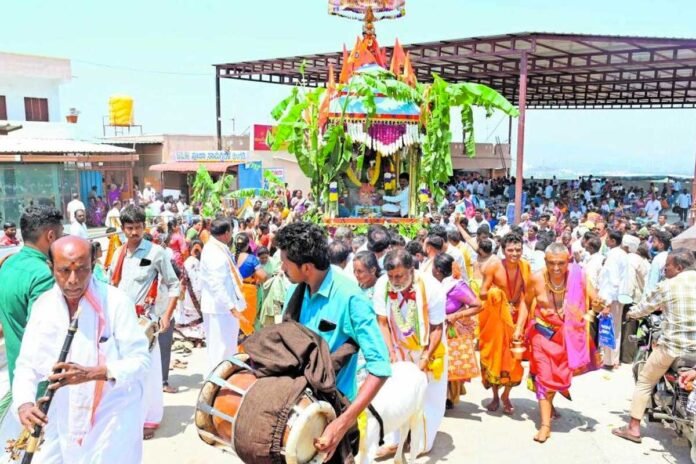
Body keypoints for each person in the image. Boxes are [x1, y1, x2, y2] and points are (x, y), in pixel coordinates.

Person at [12, 236, 150, 463]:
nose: (73, 280)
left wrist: (91, 374)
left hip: (113, 414)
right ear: (51, 268)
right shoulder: (43, 306)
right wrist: (25, 403)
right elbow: (27, 364)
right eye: (64, 271)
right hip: (63, 411)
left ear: (93, 265)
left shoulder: (115, 302)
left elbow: (141, 362)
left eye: (82, 270)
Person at [275, 222, 391, 461]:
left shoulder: (351, 299)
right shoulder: (295, 291)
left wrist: (340, 424)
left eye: (285, 260)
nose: (282, 266)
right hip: (294, 409)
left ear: (306, 267)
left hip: (331, 414)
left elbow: (380, 367)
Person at [108, 205, 180, 440]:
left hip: (145, 321)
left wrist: (166, 315)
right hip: (120, 320)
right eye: (129, 228)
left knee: (148, 372)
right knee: (123, 369)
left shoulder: (157, 252)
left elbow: (174, 284)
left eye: (138, 227)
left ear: (144, 227)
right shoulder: (118, 254)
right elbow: (111, 286)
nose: (134, 233)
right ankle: (129, 416)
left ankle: (151, 418)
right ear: (123, 228)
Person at [612, 249, 696, 444]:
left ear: (679, 267)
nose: (664, 269)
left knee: (645, 381)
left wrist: (631, 314)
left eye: (667, 266)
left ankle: (633, 428)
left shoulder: (668, 286)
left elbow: (644, 308)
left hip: (673, 348)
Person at [372, 248, 446, 454]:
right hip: (397, 346)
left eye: (400, 276)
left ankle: (421, 442)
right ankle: (394, 440)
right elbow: (382, 321)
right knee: (395, 391)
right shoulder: (382, 285)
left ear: (412, 270)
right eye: (391, 276)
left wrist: (425, 357)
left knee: (429, 393)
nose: (395, 281)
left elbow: (437, 327)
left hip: (428, 347)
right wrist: (391, 352)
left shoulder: (431, 287)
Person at [526, 243, 600, 443]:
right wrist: (518, 332)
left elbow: (595, 301)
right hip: (541, 335)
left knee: (557, 377)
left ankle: (550, 404)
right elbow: (526, 305)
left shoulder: (579, 277)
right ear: (545, 262)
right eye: (551, 263)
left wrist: (599, 307)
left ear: (568, 261)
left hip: (567, 338)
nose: (556, 268)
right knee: (543, 376)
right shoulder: (535, 279)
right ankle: (545, 426)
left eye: (561, 263)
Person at [0, 207, 63, 390]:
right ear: (50, 236)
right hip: (41, 382)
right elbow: (44, 333)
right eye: (61, 235)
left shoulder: (8, 264)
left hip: (18, 376)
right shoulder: (44, 274)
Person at [478, 232, 530, 415]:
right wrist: (499, 297)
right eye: (510, 250)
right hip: (496, 319)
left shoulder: (526, 267)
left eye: (518, 250)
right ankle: (494, 395)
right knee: (496, 358)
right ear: (503, 250)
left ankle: (506, 395)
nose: (515, 254)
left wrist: (520, 326)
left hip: (515, 317)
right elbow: (483, 293)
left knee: (514, 360)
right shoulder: (492, 267)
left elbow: (526, 298)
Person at [431, 253, 482, 409]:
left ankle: (448, 397)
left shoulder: (456, 286)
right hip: (435, 328)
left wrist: (455, 315)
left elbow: (478, 305)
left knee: (449, 363)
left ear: (438, 270)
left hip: (450, 330)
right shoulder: (434, 284)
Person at [199, 219, 247, 370]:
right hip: (220, 310)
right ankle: (218, 387)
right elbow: (217, 285)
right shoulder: (213, 252)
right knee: (222, 352)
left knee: (226, 349)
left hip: (223, 309)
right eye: (231, 232)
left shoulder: (218, 247)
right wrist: (231, 307)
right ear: (226, 233)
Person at [597, 229, 628, 369]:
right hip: (616, 297)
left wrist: (608, 303)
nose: (605, 240)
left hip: (612, 298)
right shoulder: (621, 254)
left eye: (607, 238)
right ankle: (612, 360)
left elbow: (613, 281)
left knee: (609, 328)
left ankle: (609, 361)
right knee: (614, 328)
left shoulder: (614, 256)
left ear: (613, 241)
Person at [234, 233, 267, 335]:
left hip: (234, 290)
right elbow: (263, 276)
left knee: (236, 321)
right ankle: (244, 347)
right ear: (248, 245)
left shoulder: (230, 257)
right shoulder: (252, 259)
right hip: (248, 292)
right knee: (247, 322)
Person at [177, 240, 205, 344]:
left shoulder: (198, 263)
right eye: (196, 250)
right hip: (192, 295)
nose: (197, 252)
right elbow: (183, 282)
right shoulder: (192, 263)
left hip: (195, 295)